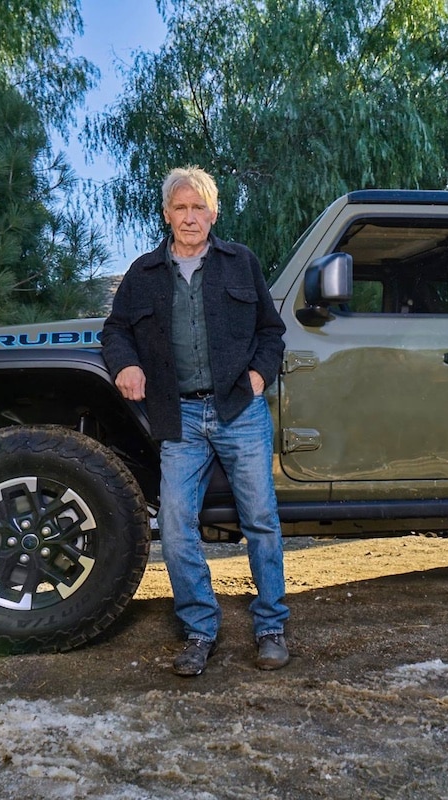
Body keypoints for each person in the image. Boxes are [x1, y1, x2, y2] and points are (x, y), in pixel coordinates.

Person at [101, 166, 290, 676]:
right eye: (180, 208)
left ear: (214, 212)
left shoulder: (240, 263)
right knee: (179, 525)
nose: (190, 217)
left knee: (261, 520)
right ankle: (199, 630)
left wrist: (257, 376)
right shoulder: (142, 275)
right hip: (178, 415)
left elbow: (272, 332)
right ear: (167, 214)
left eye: (198, 207)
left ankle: (271, 626)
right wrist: (127, 364)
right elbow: (115, 330)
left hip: (239, 410)